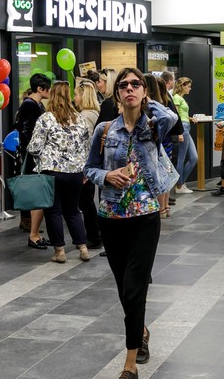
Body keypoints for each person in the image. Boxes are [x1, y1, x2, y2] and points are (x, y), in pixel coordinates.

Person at [84, 68, 178, 379]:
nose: (129, 89)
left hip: (145, 216)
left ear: (144, 90)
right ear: (116, 94)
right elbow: (89, 170)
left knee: (135, 288)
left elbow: (172, 118)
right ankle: (142, 330)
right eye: (123, 85)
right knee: (125, 288)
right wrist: (107, 176)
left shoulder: (153, 125)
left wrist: (148, 101)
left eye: (135, 84)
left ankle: (129, 364)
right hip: (110, 217)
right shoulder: (105, 130)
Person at [27, 81, 93, 263]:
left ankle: (60, 251)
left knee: (53, 211)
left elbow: (34, 147)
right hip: (75, 173)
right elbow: (86, 147)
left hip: (52, 172)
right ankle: (83, 247)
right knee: (73, 210)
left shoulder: (46, 118)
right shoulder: (79, 119)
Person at [15, 73, 51, 248]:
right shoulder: (31, 106)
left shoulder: (35, 104)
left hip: (33, 155)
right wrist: (37, 149)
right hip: (33, 157)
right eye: (48, 88)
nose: (50, 92)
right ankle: (33, 232)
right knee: (37, 193)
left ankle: (33, 231)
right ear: (40, 88)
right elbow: (28, 132)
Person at [144, 74, 183, 216]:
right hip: (165, 143)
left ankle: (162, 208)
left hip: (162, 145)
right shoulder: (165, 101)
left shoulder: (154, 107)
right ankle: (164, 207)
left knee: (160, 176)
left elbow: (172, 118)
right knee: (165, 174)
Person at [74, 81, 103, 248]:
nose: (74, 98)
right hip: (93, 164)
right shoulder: (95, 113)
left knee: (86, 203)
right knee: (88, 202)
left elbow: (84, 144)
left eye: (76, 94)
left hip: (85, 166)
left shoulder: (84, 116)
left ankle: (93, 236)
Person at [172, 77, 198, 194]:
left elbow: (181, 114)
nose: (190, 89)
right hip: (183, 128)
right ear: (182, 86)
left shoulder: (180, 98)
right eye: (188, 86)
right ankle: (179, 185)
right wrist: (179, 131)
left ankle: (180, 183)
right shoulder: (177, 98)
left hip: (185, 126)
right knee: (181, 158)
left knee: (194, 158)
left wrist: (190, 118)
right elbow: (175, 115)